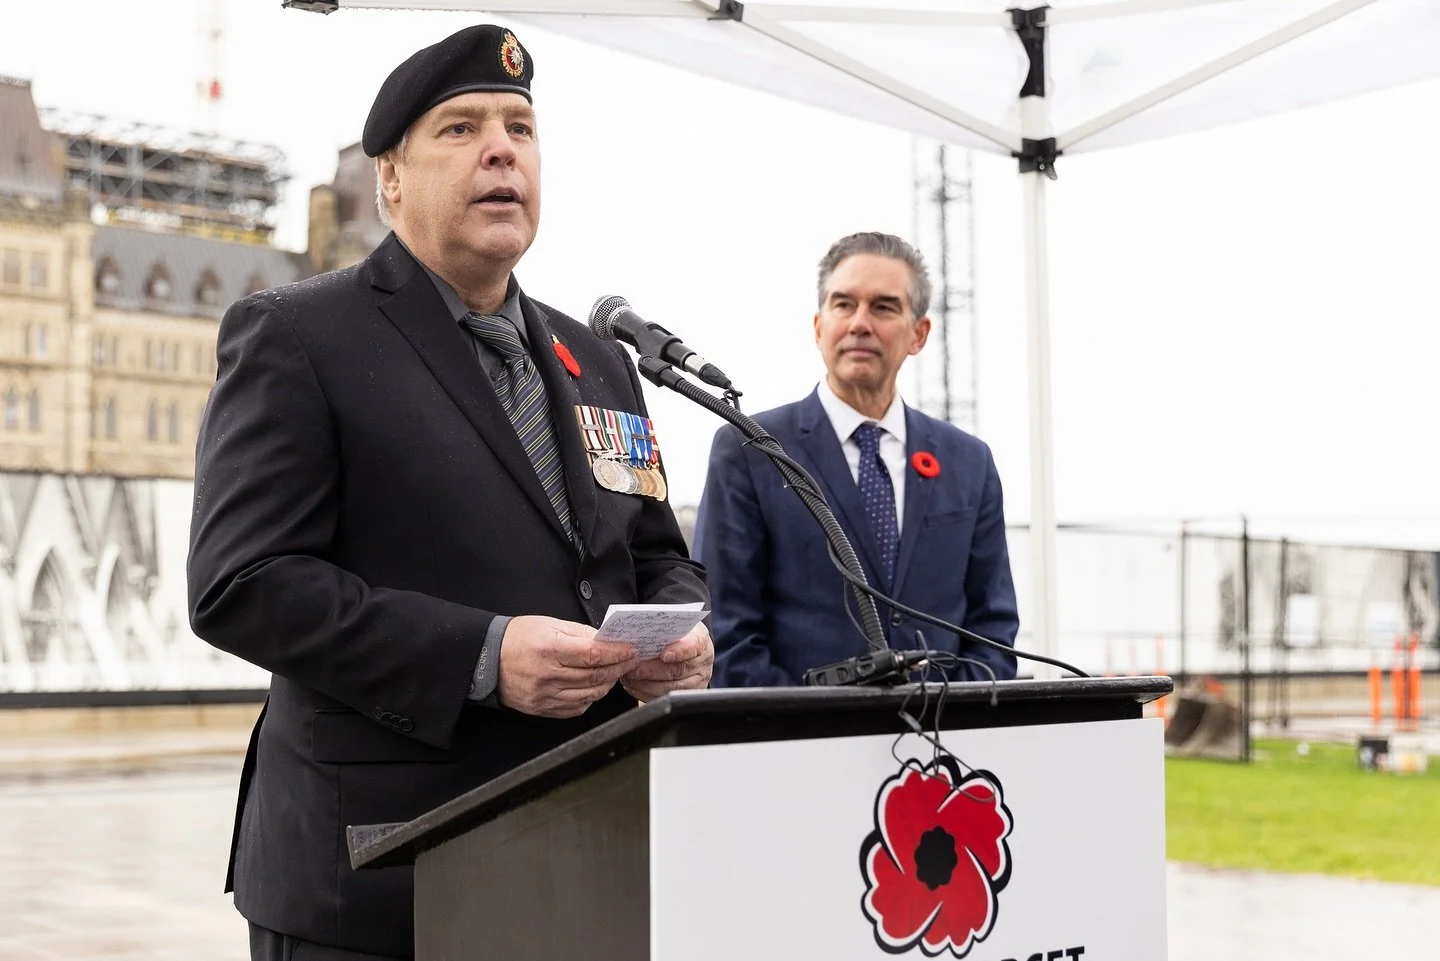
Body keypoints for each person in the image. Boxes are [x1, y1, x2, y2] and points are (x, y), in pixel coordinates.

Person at [187, 24, 711, 961]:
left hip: (585, 850)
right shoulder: (297, 335)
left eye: (520, 126)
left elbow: (656, 551)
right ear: (389, 179)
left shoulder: (598, 362)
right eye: (461, 128)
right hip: (382, 878)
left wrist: (676, 631)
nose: (502, 147)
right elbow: (243, 582)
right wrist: (483, 653)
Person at [692, 231, 1017, 687]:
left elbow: (993, 629)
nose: (860, 323)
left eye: (883, 307)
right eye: (843, 304)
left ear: (919, 334)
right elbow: (725, 630)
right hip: (795, 742)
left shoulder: (969, 462)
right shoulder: (751, 449)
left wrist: (952, 715)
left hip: (942, 744)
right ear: (819, 326)